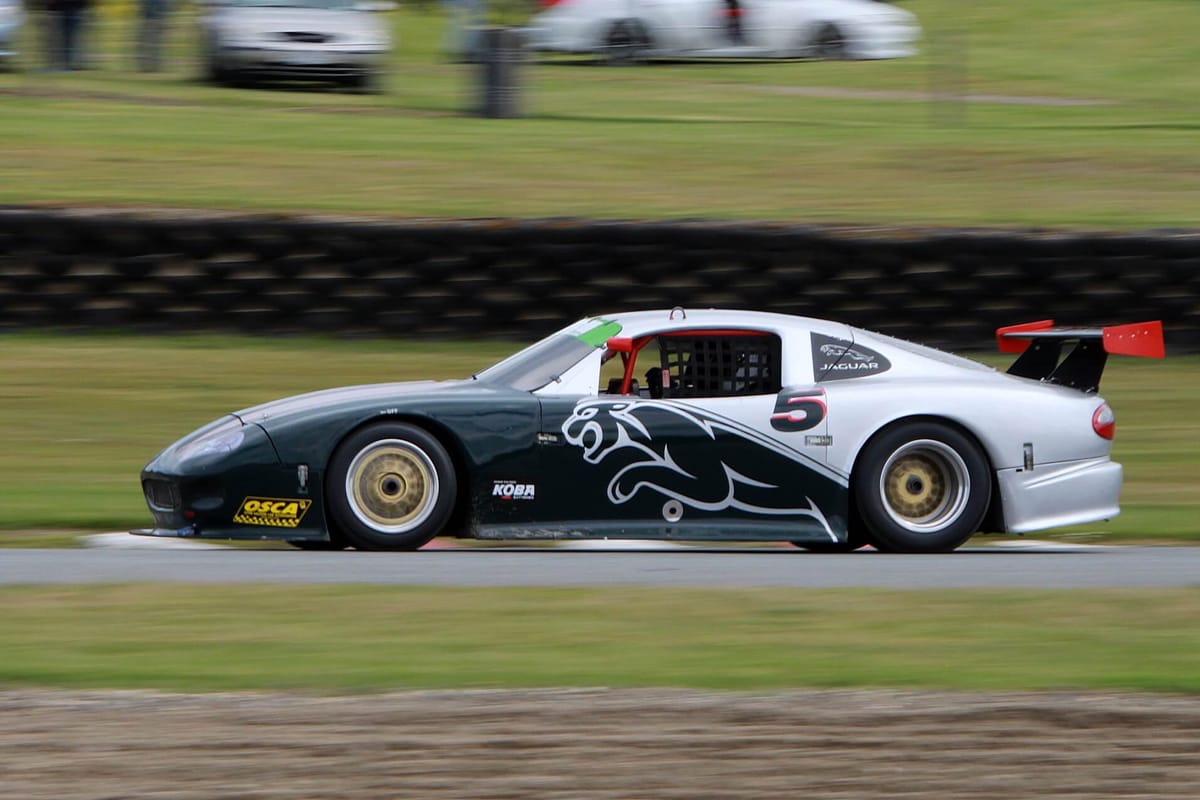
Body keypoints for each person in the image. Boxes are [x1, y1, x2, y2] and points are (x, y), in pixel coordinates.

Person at [136, 0, 169, 72]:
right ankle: (150, 66)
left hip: (151, 18)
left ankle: (149, 66)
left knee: (149, 44)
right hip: (154, 18)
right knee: (152, 44)